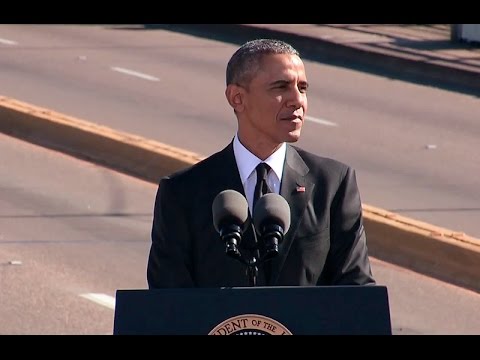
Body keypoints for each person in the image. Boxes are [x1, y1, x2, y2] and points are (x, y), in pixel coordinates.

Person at [147, 39, 375, 288]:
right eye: (281, 87)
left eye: (302, 88)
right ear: (237, 98)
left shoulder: (333, 184)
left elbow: (357, 291)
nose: (297, 100)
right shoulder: (183, 192)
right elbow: (168, 301)